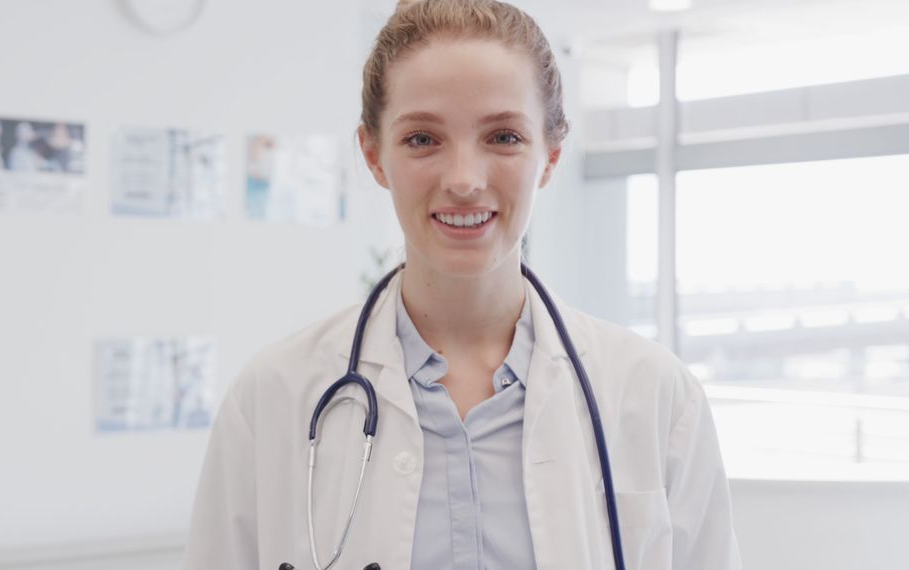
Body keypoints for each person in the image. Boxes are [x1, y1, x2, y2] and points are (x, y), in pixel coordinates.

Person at [184, 0, 742, 568]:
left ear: (550, 154)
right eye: (422, 140)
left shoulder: (654, 396)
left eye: (503, 137)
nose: (464, 181)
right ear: (374, 156)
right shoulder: (274, 397)